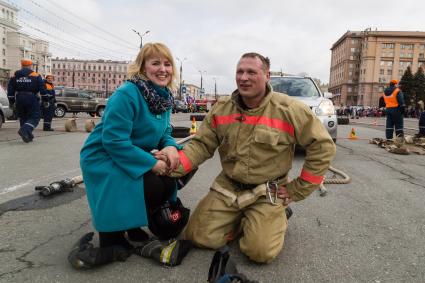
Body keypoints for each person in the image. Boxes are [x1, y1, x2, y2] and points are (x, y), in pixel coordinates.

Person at [166, 52, 336, 263]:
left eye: (251, 72)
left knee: (260, 252)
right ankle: (242, 221)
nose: (244, 77)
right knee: (198, 237)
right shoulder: (222, 108)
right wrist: (171, 165)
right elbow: (202, 145)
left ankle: (276, 216)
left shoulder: (289, 109)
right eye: (240, 72)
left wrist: (297, 189)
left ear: (267, 76)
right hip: (227, 188)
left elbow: (322, 146)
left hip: (267, 191)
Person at [79, 43, 182, 266]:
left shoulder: (163, 97)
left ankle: (132, 222)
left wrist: (171, 146)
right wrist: (150, 163)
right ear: (143, 68)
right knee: (152, 184)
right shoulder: (127, 94)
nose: (163, 69)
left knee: (166, 182)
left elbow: (164, 131)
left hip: (132, 152)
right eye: (155, 63)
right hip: (104, 155)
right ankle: (112, 235)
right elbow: (114, 141)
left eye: (167, 64)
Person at [7, 59, 46, 142]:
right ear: (30, 66)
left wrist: (11, 102)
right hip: (31, 98)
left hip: (19, 98)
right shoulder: (36, 75)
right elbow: (42, 89)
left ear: (22, 66)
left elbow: (10, 90)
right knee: (35, 116)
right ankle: (24, 130)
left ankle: (28, 136)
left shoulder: (15, 76)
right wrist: (45, 99)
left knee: (23, 117)